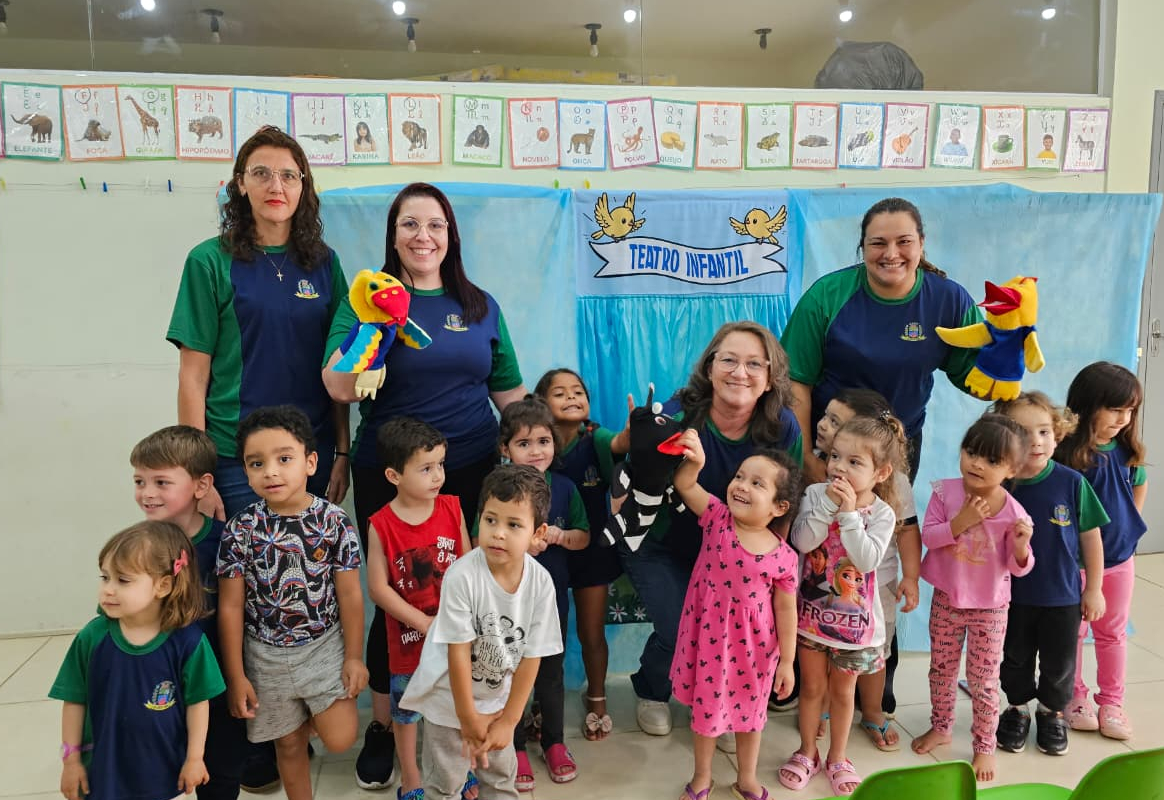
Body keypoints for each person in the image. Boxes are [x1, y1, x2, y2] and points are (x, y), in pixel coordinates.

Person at [323, 182, 526, 786]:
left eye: (434, 225)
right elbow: (336, 385)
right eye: (409, 224)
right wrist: (372, 333)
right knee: (398, 600)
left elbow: (509, 394)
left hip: (470, 475)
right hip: (389, 477)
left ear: (450, 236)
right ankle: (389, 723)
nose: (422, 236)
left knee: (469, 599)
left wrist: (541, 452)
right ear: (393, 236)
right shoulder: (366, 302)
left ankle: (473, 712)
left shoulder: (480, 305)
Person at [620, 321, 802, 742]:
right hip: (662, 541)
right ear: (709, 366)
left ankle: (720, 699)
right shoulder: (681, 416)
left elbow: (786, 500)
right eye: (730, 360)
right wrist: (649, 441)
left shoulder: (783, 426)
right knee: (680, 624)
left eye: (755, 363)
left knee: (737, 629)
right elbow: (640, 475)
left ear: (771, 377)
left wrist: (772, 561)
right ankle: (652, 689)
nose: (741, 372)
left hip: (735, 553)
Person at [168, 125, 351, 523]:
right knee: (240, 582)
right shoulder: (208, 261)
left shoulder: (324, 263)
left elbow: (339, 364)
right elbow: (193, 378)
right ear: (241, 183)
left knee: (305, 581)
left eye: (288, 175)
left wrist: (341, 453)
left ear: (303, 186)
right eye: (261, 173)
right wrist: (199, 473)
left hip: (308, 456)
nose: (276, 185)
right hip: (235, 459)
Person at [216, 406, 367, 800]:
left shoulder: (334, 522)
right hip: (265, 655)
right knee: (286, 745)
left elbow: (350, 593)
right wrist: (236, 677)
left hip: (323, 647)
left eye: (284, 459)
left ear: (310, 462)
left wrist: (354, 656)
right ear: (245, 472)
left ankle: (307, 716)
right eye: (256, 463)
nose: (271, 471)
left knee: (340, 738)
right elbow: (231, 607)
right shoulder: (240, 529)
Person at [780, 196, 982, 486]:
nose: (891, 253)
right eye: (878, 243)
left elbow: (975, 377)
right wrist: (806, 458)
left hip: (897, 450)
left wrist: (1006, 365)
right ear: (863, 247)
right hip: (830, 449)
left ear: (921, 243)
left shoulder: (949, 300)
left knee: (886, 531)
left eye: (904, 241)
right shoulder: (827, 296)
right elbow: (795, 381)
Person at [400, 465, 563, 800]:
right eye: (491, 520)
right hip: (449, 701)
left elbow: (533, 655)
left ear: (538, 533)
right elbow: (457, 651)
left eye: (513, 524)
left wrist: (509, 720)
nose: (498, 533)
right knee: (444, 786)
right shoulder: (462, 575)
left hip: (497, 702)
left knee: (501, 780)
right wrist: (466, 717)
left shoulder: (541, 583)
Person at [51, 521, 225, 800]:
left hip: (162, 771)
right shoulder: (92, 637)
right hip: (102, 770)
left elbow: (198, 703)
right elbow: (74, 699)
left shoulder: (188, 643)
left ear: (163, 585)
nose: (108, 589)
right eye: (105, 577)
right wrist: (70, 761)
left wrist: (195, 758)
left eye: (123, 580)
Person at [669, 433, 800, 800]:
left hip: (755, 650)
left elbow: (786, 609)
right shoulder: (717, 519)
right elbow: (684, 484)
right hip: (709, 640)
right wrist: (694, 464)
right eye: (740, 476)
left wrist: (787, 661)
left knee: (752, 717)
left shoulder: (784, 557)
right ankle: (702, 778)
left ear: (779, 506)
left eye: (757, 483)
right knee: (706, 715)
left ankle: (746, 778)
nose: (741, 486)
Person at [780, 415, 902, 796]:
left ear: (880, 472)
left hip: (855, 625)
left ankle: (837, 757)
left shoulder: (882, 514)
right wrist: (827, 509)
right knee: (812, 687)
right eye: (835, 457)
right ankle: (806, 752)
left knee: (843, 694)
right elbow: (800, 541)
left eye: (854, 462)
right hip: (811, 619)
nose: (839, 468)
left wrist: (848, 515)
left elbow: (865, 561)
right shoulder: (815, 495)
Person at [131, 425, 250, 800]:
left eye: (161, 482)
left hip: (218, 686)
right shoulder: (135, 549)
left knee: (222, 771)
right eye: (139, 481)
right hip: (160, 690)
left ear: (202, 486)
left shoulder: (228, 540)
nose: (147, 494)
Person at [912, 414, 1033, 782]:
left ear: (1012, 468)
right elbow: (929, 538)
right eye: (971, 452)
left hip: (990, 608)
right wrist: (960, 521)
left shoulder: (1015, 513)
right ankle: (942, 726)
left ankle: (984, 745)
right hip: (948, 599)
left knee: (983, 679)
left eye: (991, 460)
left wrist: (1023, 546)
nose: (976, 463)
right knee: (941, 670)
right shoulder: (944, 493)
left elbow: (1020, 567)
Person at [992, 392, 1108, 756]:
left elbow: (1091, 539)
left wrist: (1095, 589)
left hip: (1063, 596)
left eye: (1043, 431)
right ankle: (1017, 708)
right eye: (1023, 433)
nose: (1035, 442)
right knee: (1014, 657)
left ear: (1057, 435)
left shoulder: (1072, 483)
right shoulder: (999, 484)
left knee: (1060, 662)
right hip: (1010, 597)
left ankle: (1051, 710)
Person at [365, 417, 472, 798]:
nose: (438, 475)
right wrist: (423, 622)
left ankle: (464, 769)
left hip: (456, 636)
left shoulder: (451, 507)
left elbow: (468, 562)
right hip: (409, 641)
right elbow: (378, 588)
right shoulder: (380, 524)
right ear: (394, 475)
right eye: (426, 468)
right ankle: (411, 779)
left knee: (461, 703)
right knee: (406, 713)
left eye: (440, 464)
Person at [811, 389, 921, 751]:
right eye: (826, 417)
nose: (824, 426)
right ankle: (826, 708)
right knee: (828, 648)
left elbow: (907, 533)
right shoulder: (822, 473)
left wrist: (910, 577)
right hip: (829, 586)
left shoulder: (895, 486)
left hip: (878, 586)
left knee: (875, 656)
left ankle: (872, 711)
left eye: (837, 422)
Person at [492, 396, 588, 790]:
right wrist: (517, 546)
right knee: (508, 673)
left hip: (551, 603)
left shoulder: (564, 488)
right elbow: (481, 542)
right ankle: (513, 745)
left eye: (544, 441)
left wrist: (563, 536)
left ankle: (554, 742)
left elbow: (584, 537)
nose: (536, 451)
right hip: (504, 604)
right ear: (505, 449)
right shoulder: (496, 489)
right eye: (524, 443)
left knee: (550, 673)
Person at [534, 368, 628, 742]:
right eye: (560, 393)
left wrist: (632, 434)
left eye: (578, 392)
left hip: (592, 551)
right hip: (544, 554)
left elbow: (620, 444)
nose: (572, 397)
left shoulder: (598, 438)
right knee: (540, 635)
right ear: (542, 404)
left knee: (591, 632)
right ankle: (540, 703)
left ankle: (597, 698)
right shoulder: (536, 443)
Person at [1055, 362, 1148, 740]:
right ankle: (1074, 697)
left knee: (1112, 633)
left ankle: (1111, 702)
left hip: (1119, 562)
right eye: (1115, 409)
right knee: (1072, 634)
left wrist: (1129, 528)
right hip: (1073, 565)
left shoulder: (1126, 449)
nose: (1123, 419)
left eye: (1130, 411)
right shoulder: (1064, 453)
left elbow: (1139, 483)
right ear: (1088, 405)